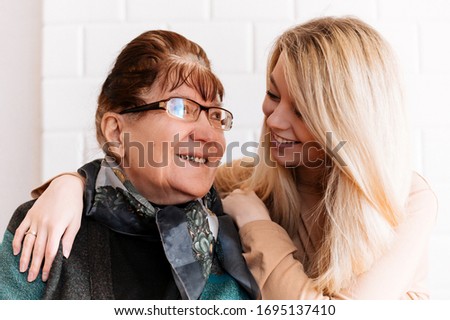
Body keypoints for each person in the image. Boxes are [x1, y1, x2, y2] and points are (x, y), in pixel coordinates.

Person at [9, 17, 437, 299]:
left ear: (344, 121)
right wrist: (73, 183)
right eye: (272, 95)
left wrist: (255, 223)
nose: (273, 119)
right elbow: (141, 179)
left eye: (302, 110)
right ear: (116, 130)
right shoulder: (252, 182)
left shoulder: (407, 200)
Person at [0, 29, 259, 299]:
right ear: (116, 131)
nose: (209, 135)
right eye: (181, 108)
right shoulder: (47, 228)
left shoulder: (238, 233)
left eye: (216, 115)